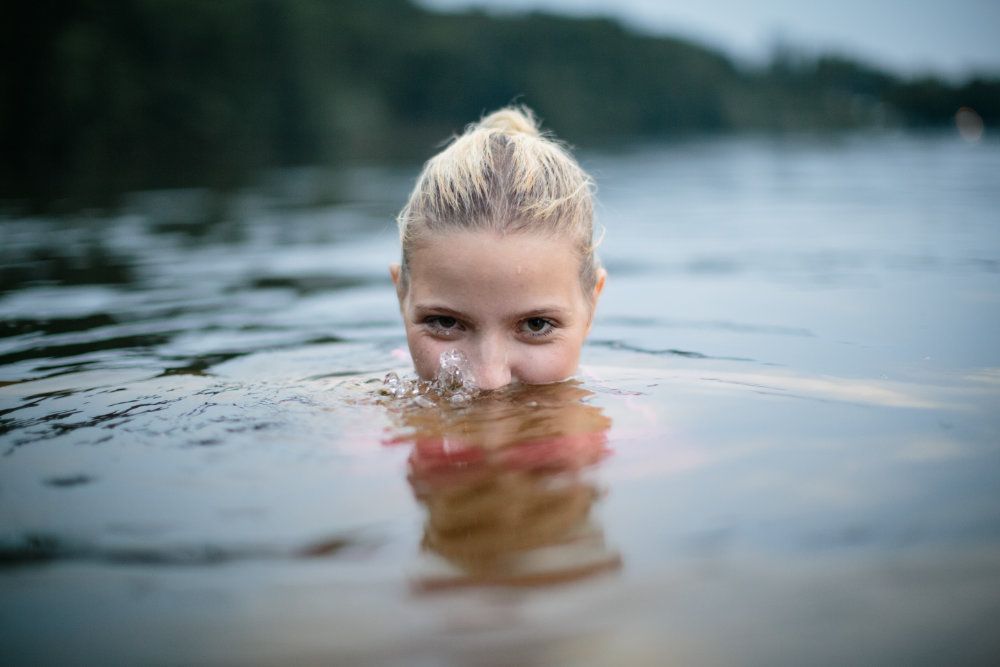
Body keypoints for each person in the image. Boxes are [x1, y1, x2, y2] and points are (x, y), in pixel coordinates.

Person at [391, 105, 606, 390]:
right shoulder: (358, 413)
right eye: (444, 322)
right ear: (402, 296)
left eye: (536, 324)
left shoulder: (638, 415)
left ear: (591, 306)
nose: (489, 381)